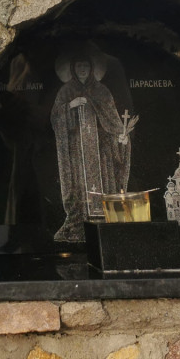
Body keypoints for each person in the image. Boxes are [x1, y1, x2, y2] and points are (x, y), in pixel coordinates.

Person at [50, 49, 136, 242]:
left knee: (104, 182)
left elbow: (113, 123)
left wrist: (120, 140)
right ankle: (78, 222)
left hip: (101, 152)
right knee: (79, 186)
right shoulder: (66, 91)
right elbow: (55, 120)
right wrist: (70, 106)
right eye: (79, 66)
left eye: (86, 66)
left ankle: (106, 220)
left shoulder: (102, 91)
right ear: (72, 68)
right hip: (77, 153)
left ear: (91, 69)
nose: (82, 69)